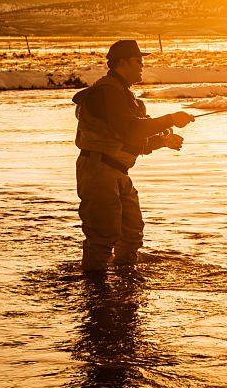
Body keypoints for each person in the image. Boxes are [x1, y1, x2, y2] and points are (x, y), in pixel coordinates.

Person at [73, 39, 195, 273]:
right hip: (99, 172)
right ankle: (94, 292)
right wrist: (171, 119)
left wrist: (163, 141)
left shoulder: (120, 93)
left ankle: (125, 283)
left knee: (131, 233)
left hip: (115, 170)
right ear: (122, 63)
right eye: (138, 61)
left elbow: (129, 141)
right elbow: (132, 129)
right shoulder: (109, 93)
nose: (142, 67)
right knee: (102, 236)